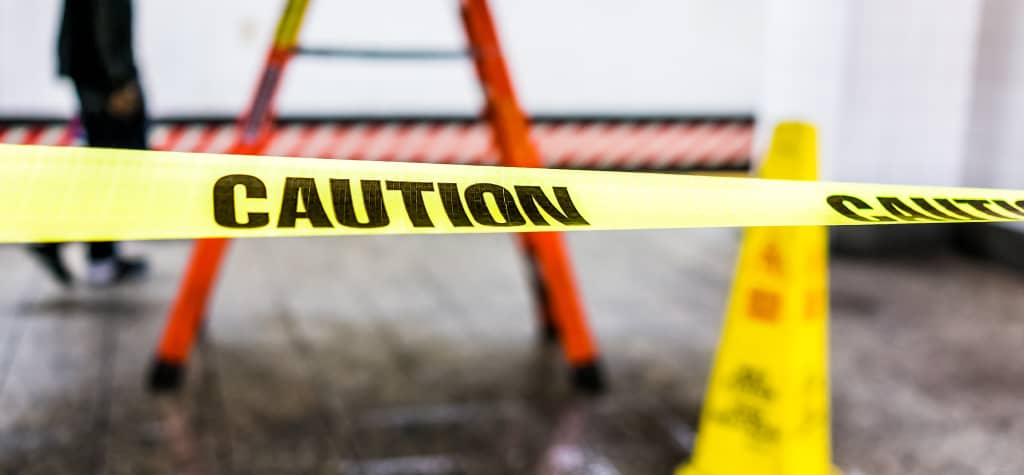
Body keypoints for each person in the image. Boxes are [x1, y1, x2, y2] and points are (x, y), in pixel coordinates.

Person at [28, 0, 148, 286]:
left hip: (91, 69)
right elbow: (107, 15)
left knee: (105, 167)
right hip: (102, 76)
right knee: (117, 167)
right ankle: (87, 251)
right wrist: (119, 80)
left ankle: (96, 253)